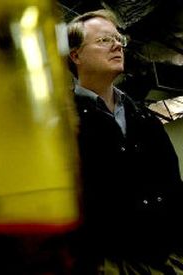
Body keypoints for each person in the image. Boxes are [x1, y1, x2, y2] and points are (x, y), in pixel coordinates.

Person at [67, 9, 183, 274]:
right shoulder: (62, 123)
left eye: (118, 39)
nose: (118, 44)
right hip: (104, 264)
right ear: (76, 55)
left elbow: (173, 186)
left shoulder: (145, 118)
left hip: (167, 260)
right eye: (104, 40)